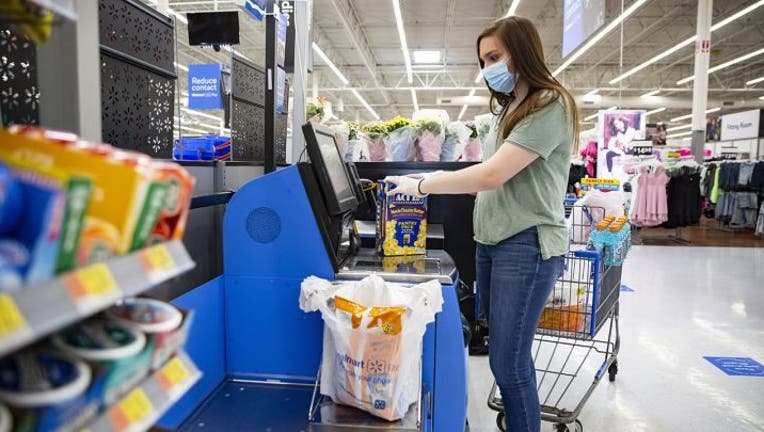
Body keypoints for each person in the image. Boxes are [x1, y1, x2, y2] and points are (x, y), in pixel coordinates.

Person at [387, 16, 579, 432]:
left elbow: (492, 176)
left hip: (526, 245)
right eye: (483, 60)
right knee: (504, 354)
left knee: (508, 363)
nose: (487, 66)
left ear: (522, 53)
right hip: (493, 242)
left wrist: (424, 184)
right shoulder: (509, 108)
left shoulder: (550, 104)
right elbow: (487, 169)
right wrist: (422, 179)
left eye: (495, 56)